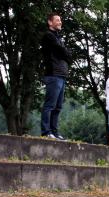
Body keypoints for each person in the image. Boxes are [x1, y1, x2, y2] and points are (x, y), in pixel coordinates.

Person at [40, 13, 71, 141]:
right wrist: (66, 53)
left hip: (62, 75)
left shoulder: (58, 38)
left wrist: (66, 53)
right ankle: (46, 131)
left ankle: (54, 132)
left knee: (58, 106)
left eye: (60, 20)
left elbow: (66, 54)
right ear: (50, 22)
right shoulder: (49, 36)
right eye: (57, 20)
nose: (60, 22)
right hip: (53, 74)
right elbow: (61, 51)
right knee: (50, 105)